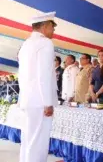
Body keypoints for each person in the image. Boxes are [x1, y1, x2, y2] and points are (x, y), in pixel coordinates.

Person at [18, 11, 58, 162]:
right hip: (40, 101)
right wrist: (47, 102)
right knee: (39, 142)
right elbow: (44, 76)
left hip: (28, 100)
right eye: (52, 27)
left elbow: (23, 75)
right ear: (45, 26)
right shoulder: (45, 43)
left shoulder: (26, 44)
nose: (53, 31)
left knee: (28, 139)